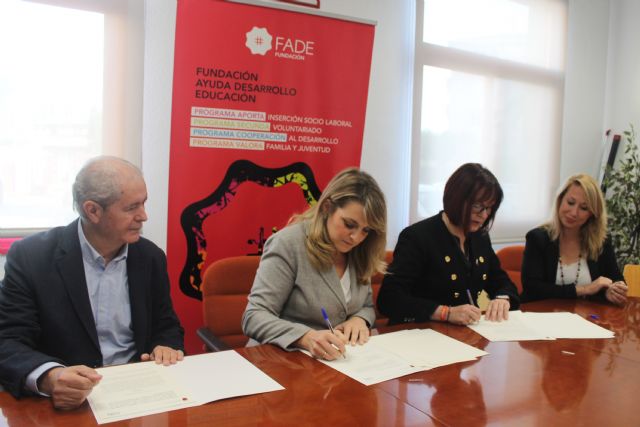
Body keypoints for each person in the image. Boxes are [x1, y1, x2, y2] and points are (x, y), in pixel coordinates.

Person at [0, 156, 184, 410]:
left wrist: (165, 345)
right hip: (66, 402)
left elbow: (166, 323)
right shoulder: (32, 257)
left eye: (144, 203)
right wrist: (50, 376)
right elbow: (8, 340)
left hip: (137, 392)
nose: (144, 216)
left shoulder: (150, 257)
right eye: (131, 207)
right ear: (93, 211)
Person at [242, 168, 387, 360]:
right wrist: (305, 337)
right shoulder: (288, 244)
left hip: (337, 363)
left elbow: (366, 305)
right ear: (327, 207)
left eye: (366, 230)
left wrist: (359, 319)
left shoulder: (360, 251)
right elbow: (254, 316)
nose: (356, 237)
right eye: (349, 224)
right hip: (281, 361)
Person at [377, 163, 520, 326]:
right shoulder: (418, 236)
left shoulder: (480, 237)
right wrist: (445, 313)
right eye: (477, 206)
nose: (484, 215)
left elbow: (502, 282)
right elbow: (389, 299)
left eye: (489, 208)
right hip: (420, 331)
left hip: (465, 331)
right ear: (456, 199)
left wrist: (503, 298)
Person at [521, 173, 627, 304]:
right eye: (570, 203)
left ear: (592, 213)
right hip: (542, 314)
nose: (574, 213)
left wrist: (612, 291)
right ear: (560, 200)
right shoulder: (537, 238)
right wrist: (584, 289)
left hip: (586, 314)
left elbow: (615, 279)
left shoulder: (601, 241)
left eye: (584, 208)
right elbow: (533, 288)